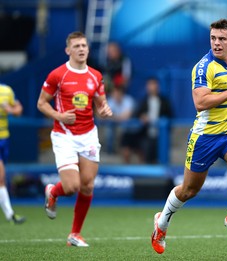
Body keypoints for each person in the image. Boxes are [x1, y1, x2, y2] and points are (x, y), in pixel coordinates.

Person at [151, 19, 227, 254]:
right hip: (205, 136)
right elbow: (200, 102)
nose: (217, 43)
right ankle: (161, 223)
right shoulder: (203, 67)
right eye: (213, 38)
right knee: (189, 191)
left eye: (222, 39)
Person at [37, 31, 113, 247]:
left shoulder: (96, 76)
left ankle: (74, 234)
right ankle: (54, 191)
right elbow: (41, 103)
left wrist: (105, 110)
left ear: (88, 49)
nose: (81, 49)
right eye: (76, 46)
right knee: (71, 187)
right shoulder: (57, 75)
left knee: (87, 186)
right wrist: (59, 116)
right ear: (68, 50)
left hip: (88, 134)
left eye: (84, 45)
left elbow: (101, 104)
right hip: (64, 136)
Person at [0, 83, 25, 225]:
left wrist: (10, 109)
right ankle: (10, 214)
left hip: (4, 139)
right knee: (1, 178)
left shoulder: (6, 90)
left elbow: (19, 109)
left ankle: (10, 215)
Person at [136, 77, 173, 164]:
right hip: (147, 134)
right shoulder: (144, 101)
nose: (152, 87)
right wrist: (142, 117)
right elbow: (137, 114)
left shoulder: (165, 101)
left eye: (154, 84)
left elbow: (170, 115)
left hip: (161, 135)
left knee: (161, 157)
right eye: (150, 85)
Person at [104, 87, 136, 154]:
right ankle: (109, 150)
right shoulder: (110, 101)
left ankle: (121, 149)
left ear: (122, 94)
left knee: (122, 129)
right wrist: (117, 118)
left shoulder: (128, 100)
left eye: (118, 94)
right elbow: (106, 115)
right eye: (114, 94)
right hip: (113, 125)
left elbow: (127, 116)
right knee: (108, 128)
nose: (116, 96)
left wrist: (114, 117)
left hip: (128, 127)